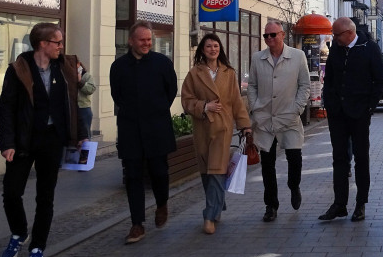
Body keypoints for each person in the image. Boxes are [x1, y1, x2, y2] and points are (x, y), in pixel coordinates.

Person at [0, 23, 87, 257]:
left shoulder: (65, 68)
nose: (61, 46)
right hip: (24, 140)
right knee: (11, 192)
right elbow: (6, 108)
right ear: (43, 44)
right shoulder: (18, 69)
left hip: (52, 140)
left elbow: (73, 103)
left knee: (45, 196)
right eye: (57, 42)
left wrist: (80, 134)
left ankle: (37, 247)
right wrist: (6, 142)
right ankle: (19, 232)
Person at [111, 21, 179, 244]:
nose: (147, 44)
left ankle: (161, 204)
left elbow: (171, 90)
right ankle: (137, 223)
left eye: (149, 40)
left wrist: (156, 109)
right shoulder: (119, 66)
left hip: (157, 127)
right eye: (142, 40)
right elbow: (117, 95)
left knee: (160, 172)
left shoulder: (162, 63)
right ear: (131, 41)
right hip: (130, 129)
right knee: (132, 177)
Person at [181, 33, 252, 234]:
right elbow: (186, 101)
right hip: (202, 129)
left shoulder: (229, 73)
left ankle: (209, 216)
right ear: (202, 50)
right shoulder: (194, 74)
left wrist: (245, 125)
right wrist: (204, 106)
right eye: (209, 46)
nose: (213, 49)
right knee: (206, 172)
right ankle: (218, 203)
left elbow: (236, 101)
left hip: (222, 128)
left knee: (217, 170)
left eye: (216, 46)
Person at [318, 16, 383, 222]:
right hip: (337, 113)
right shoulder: (337, 48)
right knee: (339, 159)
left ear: (349, 33)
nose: (334, 38)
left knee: (361, 158)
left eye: (336, 35)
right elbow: (329, 80)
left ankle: (360, 204)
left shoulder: (369, 48)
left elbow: (379, 80)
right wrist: (329, 102)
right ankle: (339, 204)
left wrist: (369, 107)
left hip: (359, 113)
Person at [248, 21, 311, 222]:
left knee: (295, 159)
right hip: (265, 119)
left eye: (273, 35)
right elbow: (252, 86)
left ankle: (294, 186)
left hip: (289, 116)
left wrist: (297, 109)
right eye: (266, 36)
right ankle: (271, 205)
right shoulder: (258, 58)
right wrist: (255, 107)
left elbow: (305, 86)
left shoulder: (297, 56)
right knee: (267, 164)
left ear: (282, 35)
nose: (269, 39)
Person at [77, 65, 97, 138]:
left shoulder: (86, 76)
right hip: (72, 108)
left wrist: (80, 81)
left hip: (84, 108)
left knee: (85, 134)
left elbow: (91, 89)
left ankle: (87, 149)